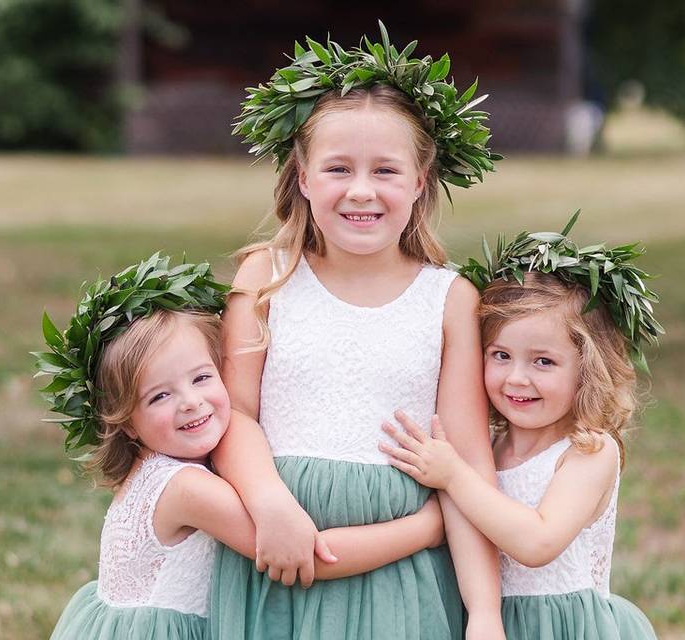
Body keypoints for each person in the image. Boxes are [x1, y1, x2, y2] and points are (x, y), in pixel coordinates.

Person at [209, 24, 507, 640]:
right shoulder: (266, 278)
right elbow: (233, 413)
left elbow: (468, 461)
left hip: (401, 580)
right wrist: (269, 503)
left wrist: (483, 612)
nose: (362, 190)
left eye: (387, 171)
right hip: (275, 554)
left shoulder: (448, 299)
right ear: (303, 175)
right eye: (339, 168)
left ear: (421, 181)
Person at [35, 256, 446, 640]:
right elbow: (310, 557)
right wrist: (427, 528)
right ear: (125, 422)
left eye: (200, 378)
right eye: (159, 397)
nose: (190, 402)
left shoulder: (161, 467)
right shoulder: (186, 488)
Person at [381, 218, 661, 639]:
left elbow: (537, 543)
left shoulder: (588, 451)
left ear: (588, 368)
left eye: (543, 361)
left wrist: (454, 475)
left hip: (565, 628)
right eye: (500, 355)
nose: (516, 378)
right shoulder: (488, 450)